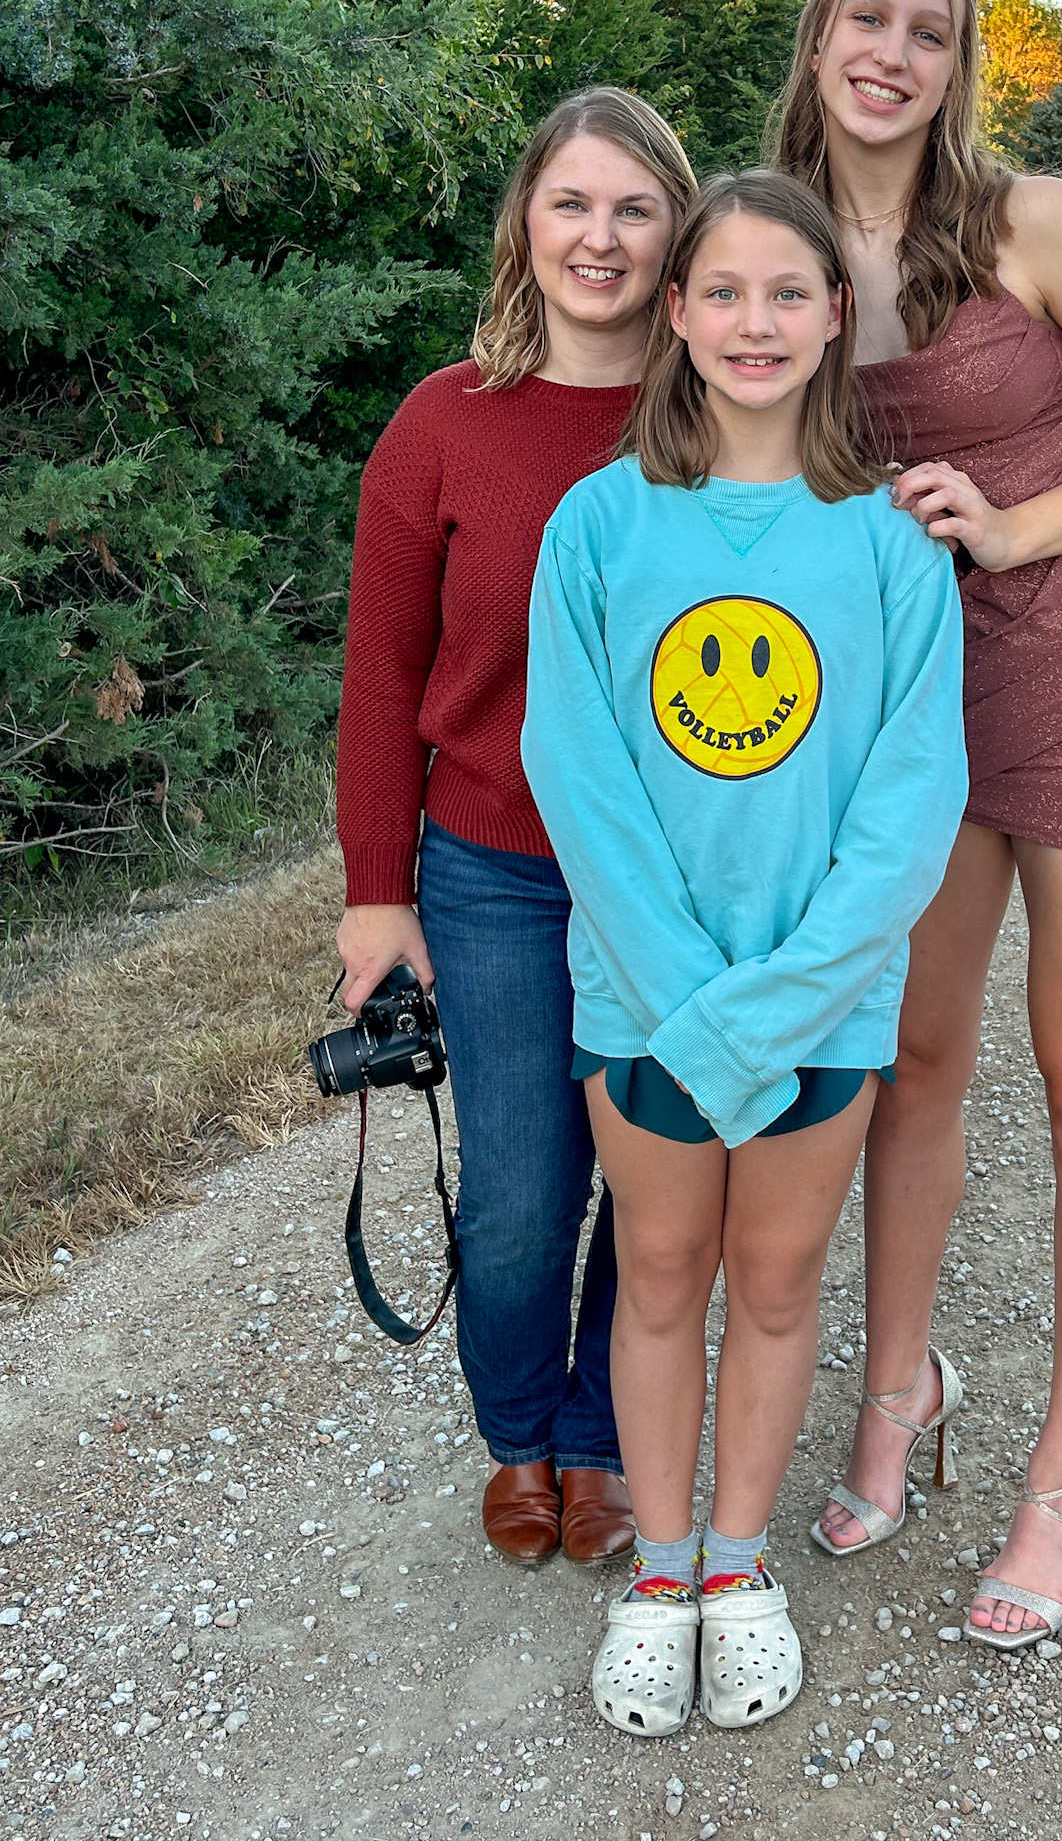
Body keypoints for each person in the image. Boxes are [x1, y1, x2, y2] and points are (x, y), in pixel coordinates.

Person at [772, 0, 1062, 1649]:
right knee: (911, 1071)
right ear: (819, 37)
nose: (892, 52)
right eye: (866, 18)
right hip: (908, 720)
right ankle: (902, 1393)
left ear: (959, 67)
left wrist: (1018, 524)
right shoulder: (782, 243)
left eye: (930, 32)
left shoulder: (1032, 222)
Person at [521, 170, 967, 1735]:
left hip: (822, 1012)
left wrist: (774, 1008)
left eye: (789, 292)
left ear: (837, 314)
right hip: (642, 999)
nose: (755, 322)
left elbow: (912, 805)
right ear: (678, 313)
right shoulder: (601, 523)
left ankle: (735, 1562)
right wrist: (690, 1005)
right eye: (722, 292)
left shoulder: (891, 543)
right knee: (656, 1278)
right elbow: (579, 777)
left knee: (776, 1287)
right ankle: (655, 1573)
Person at [333, 88, 696, 1569]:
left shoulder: (717, 416)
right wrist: (377, 896)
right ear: (526, 226)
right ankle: (520, 1433)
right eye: (572, 204)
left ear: (675, 231)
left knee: (660, 1186)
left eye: (632, 208)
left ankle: (607, 1439)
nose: (599, 237)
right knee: (521, 1204)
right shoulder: (442, 423)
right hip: (489, 874)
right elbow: (380, 674)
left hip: (677, 884)